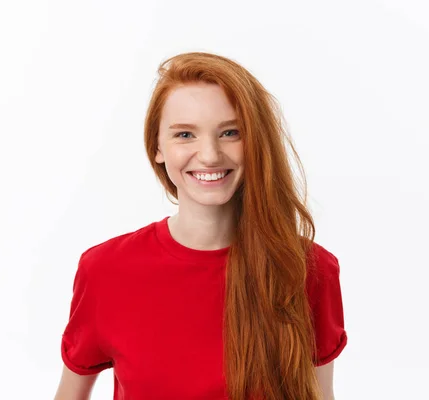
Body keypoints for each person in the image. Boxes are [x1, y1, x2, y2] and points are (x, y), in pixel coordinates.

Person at [54, 52, 347, 400]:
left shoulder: (308, 269)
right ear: (157, 147)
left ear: (256, 143)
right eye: (184, 135)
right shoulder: (104, 270)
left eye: (230, 132)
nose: (209, 155)